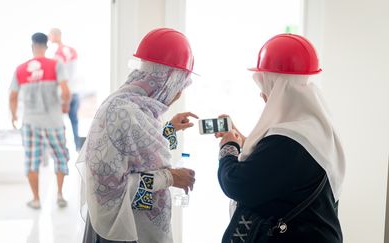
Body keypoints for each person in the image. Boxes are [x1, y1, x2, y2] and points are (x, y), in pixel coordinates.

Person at [216, 34, 346, 243]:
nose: (262, 96)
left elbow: (238, 184)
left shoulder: (289, 141)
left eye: (266, 88)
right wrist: (242, 139)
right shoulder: (313, 127)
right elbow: (276, 165)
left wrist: (228, 147)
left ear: (279, 88)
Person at [77, 28, 198, 243]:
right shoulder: (125, 114)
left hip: (132, 220)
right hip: (120, 231)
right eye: (179, 86)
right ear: (167, 81)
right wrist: (171, 177)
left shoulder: (131, 105)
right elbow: (117, 190)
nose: (179, 94)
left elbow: (134, 157)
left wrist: (169, 129)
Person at [9, 32, 71, 209]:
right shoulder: (55, 65)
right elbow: (66, 91)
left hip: (30, 123)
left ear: (32, 46)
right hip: (54, 122)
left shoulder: (21, 69)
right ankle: (60, 195)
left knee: (31, 160)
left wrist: (13, 115)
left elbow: (12, 96)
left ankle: (36, 199)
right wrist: (65, 105)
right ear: (46, 46)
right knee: (60, 158)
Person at [49, 28, 82, 151]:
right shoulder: (72, 51)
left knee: (60, 122)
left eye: (50, 35)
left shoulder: (57, 54)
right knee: (74, 121)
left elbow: (59, 76)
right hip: (75, 91)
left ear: (56, 35)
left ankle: (61, 148)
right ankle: (78, 147)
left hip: (63, 92)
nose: (49, 38)